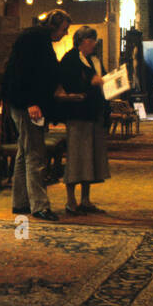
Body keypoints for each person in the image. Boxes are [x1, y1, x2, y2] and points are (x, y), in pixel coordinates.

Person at [1, 9, 71, 221]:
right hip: (26, 105)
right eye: (64, 29)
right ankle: (40, 206)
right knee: (35, 155)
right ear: (54, 26)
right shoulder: (34, 40)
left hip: (23, 102)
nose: (65, 34)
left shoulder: (38, 39)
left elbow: (42, 73)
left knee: (25, 152)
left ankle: (21, 201)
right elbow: (24, 72)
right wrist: (31, 102)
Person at [56, 26, 111, 214]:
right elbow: (69, 83)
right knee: (77, 157)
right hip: (78, 113)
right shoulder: (70, 59)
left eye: (94, 40)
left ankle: (86, 199)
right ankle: (71, 201)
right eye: (91, 40)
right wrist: (90, 83)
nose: (94, 44)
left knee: (90, 158)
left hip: (94, 112)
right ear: (82, 41)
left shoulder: (94, 60)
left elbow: (102, 78)